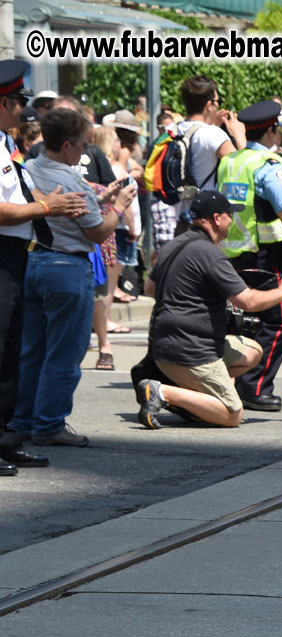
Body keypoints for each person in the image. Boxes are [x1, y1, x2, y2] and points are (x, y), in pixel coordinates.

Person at [13, 105, 135, 447]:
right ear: (66, 145)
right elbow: (98, 233)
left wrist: (100, 198)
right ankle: (49, 423)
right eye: (83, 144)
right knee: (65, 351)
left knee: (32, 349)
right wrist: (119, 206)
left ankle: (23, 419)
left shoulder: (29, 168)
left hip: (34, 262)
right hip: (67, 267)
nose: (85, 151)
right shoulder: (68, 177)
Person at [137, 190, 282, 428]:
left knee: (252, 350)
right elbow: (248, 302)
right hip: (191, 352)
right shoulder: (210, 254)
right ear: (216, 219)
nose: (232, 221)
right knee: (233, 415)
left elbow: (150, 287)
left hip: (163, 347)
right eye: (229, 215)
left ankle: (200, 401)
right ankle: (162, 392)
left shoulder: (173, 245)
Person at [0, 59, 87, 474]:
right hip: (4, 255)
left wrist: (43, 200)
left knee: (15, 352)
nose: (23, 110)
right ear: (2, 103)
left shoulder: (6, 144)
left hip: (20, 257)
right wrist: (46, 205)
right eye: (18, 101)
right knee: (8, 351)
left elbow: (19, 188)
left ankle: (7, 437)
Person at [216, 100, 282, 412]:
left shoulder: (231, 161)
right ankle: (254, 386)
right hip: (270, 255)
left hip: (234, 252)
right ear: (272, 129)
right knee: (279, 319)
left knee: (247, 320)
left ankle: (235, 380)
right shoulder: (269, 165)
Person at [171, 75, 243, 234]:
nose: (218, 106)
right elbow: (242, 167)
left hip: (178, 219)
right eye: (218, 102)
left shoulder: (173, 130)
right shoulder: (213, 134)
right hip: (205, 221)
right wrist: (239, 135)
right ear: (209, 105)